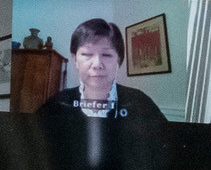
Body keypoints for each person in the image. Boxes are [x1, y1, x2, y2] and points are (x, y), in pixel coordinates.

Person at [36, 20, 170, 126]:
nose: (97, 65)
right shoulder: (56, 104)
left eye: (106, 55)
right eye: (87, 54)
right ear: (75, 59)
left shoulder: (140, 102)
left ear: (119, 60)